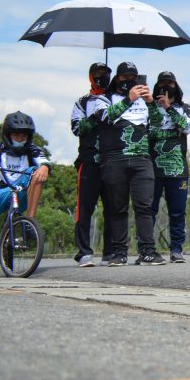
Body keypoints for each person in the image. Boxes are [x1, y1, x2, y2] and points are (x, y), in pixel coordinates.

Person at [96, 61, 166, 266]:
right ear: (117, 78)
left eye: (133, 78)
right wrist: (129, 99)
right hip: (114, 158)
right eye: (125, 78)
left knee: (145, 206)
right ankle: (119, 253)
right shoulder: (105, 99)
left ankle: (147, 251)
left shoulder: (144, 100)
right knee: (117, 208)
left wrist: (151, 102)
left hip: (142, 158)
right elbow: (104, 118)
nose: (129, 81)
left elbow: (158, 123)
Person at [149, 71, 190, 263]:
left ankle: (177, 249)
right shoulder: (147, 107)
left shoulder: (186, 108)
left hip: (177, 170)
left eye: (170, 83)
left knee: (177, 211)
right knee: (148, 210)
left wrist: (168, 108)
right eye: (162, 84)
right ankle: (147, 249)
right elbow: (149, 128)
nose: (166, 87)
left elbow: (188, 127)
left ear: (176, 86)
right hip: (151, 168)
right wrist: (154, 104)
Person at [70, 62, 113, 266]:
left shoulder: (116, 99)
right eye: (97, 73)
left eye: (104, 74)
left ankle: (110, 252)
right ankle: (84, 252)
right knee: (85, 208)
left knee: (114, 208)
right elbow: (77, 128)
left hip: (112, 161)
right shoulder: (82, 102)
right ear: (90, 76)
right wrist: (94, 118)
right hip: (89, 162)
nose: (100, 77)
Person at [0, 111, 50, 220]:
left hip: (21, 194)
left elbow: (44, 162)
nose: (19, 140)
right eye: (15, 135)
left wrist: (45, 167)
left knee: (34, 171)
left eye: (23, 136)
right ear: (7, 135)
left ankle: (30, 220)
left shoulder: (33, 150)